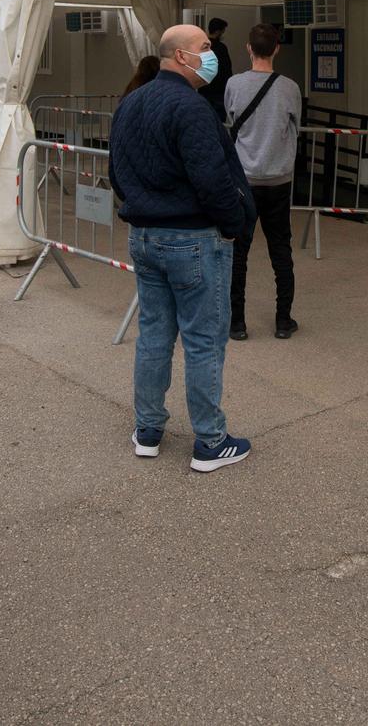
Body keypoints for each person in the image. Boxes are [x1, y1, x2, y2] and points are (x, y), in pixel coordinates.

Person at [110, 24, 255, 472]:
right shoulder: (191, 108)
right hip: (193, 238)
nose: (212, 55)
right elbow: (212, 179)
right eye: (205, 48)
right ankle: (210, 441)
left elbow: (117, 171)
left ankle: (148, 429)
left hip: (146, 236)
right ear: (180, 56)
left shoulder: (130, 102)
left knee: (154, 334)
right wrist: (234, 225)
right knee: (204, 340)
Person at [224, 23, 302, 340]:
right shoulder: (290, 88)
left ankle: (237, 323)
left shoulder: (234, 84)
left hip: (244, 179)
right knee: (280, 250)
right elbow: (294, 125)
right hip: (279, 180)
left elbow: (232, 123)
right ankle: (283, 320)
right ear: (277, 48)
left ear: (248, 48)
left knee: (238, 252)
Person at [199, 18, 233, 114]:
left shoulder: (201, 46)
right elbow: (227, 70)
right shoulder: (221, 48)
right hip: (219, 91)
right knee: (219, 121)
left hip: (203, 88)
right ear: (218, 31)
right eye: (222, 32)